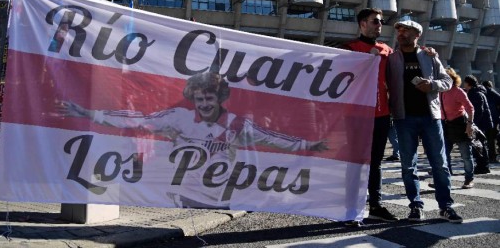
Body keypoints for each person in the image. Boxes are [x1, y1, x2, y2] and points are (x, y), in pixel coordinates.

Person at [59, 72, 328, 209]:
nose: (203, 104)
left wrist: (307, 145)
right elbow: (136, 118)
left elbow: (272, 138)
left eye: (209, 98)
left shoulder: (237, 124)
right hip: (182, 197)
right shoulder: (179, 117)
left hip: (221, 200)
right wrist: (89, 113)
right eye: (199, 99)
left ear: (220, 98)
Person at [387, 19, 462, 223]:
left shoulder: (429, 56)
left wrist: (433, 85)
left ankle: (446, 207)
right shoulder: (391, 59)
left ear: (416, 35)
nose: (401, 33)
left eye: (406, 30)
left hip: (431, 118)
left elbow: (448, 81)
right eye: (399, 30)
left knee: (440, 164)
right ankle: (415, 206)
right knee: (408, 166)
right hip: (404, 118)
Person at [341, 8, 398, 222]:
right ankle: (350, 209)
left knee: (375, 162)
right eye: (375, 21)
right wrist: (365, 58)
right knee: (355, 162)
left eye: (381, 21)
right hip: (355, 115)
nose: (379, 25)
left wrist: (427, 54)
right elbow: (341, 77)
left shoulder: (387, 50)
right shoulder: (349, 48)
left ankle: (376, 205)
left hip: (381, 114)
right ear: (362, 23)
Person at [441, 68, 475, 188]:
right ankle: (445, 180)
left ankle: (469, 179)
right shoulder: (440, 92)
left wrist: (469, 124)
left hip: (460, 124)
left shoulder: (458, 91)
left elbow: (470, 108)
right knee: (444, 155)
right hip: (445, 125)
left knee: (466, 155)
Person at [463, 75, 493, 173]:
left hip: (479, 124)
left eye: (465, 83)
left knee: (479, 145)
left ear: (468, 83)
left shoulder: (475, 94)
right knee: (480, 144)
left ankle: (483, 166)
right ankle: (483, 165)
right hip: (482, 123)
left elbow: (478, 111)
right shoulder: (477, 92)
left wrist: (473, 124)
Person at [482, 80, 500, 162]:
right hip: (494, 118)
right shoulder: (493, 93)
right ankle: (493, 156)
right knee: (493, 137)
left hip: (485, 118)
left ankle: (491, 156)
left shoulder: (482, 93)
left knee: (489, 138)